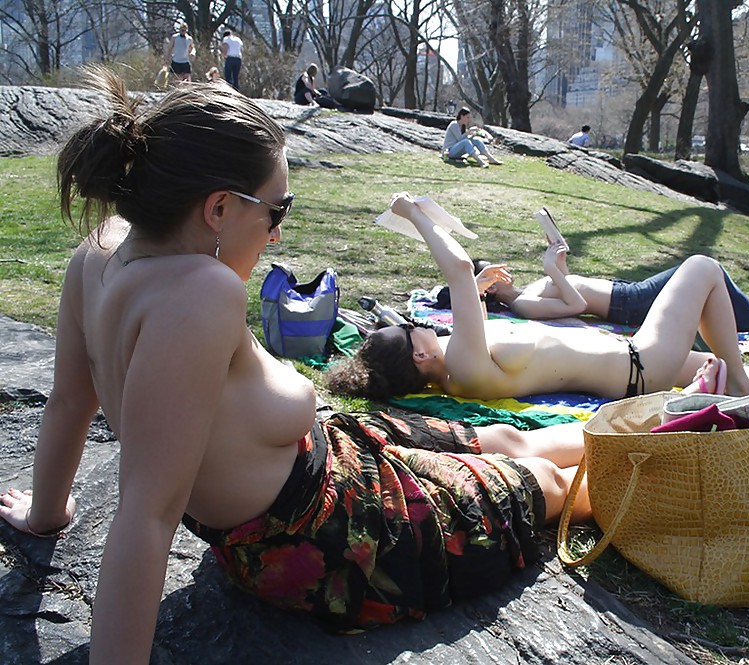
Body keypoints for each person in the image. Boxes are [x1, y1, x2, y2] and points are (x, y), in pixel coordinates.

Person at [0, 69, 592, 661]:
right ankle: (660, 457)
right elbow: (146, 514)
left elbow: (71, 401)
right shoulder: (199, 293)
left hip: (338, 463)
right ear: (219, 208)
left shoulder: (98, 249)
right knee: (549, 485)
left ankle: (655, 425)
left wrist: (46, 515)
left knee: (503, 439)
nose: (277, 236)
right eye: (277, 211)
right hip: (337, 536)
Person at [327, 194, 749, 402]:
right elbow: (458, 268)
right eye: (418, 330)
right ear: (420, 354)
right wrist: (414, 214)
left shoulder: (460, 372)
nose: (426, 326)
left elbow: (470, 306)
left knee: (702, 359)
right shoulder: (461, 361)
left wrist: (478, 292)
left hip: (631, 370)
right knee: (702, 268)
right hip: (638, 363)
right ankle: (740, 383)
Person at [472, 239, 749, 341]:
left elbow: (568, 287)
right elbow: (576, 303)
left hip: (626, 292)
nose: (503, 271)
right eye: (493, 274)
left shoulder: (528, 292)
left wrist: (558, 262)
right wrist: (550, 272)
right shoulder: (524, 307)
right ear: (487, 290)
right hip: (630, 304)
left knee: (707, 290)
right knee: (705, 268)